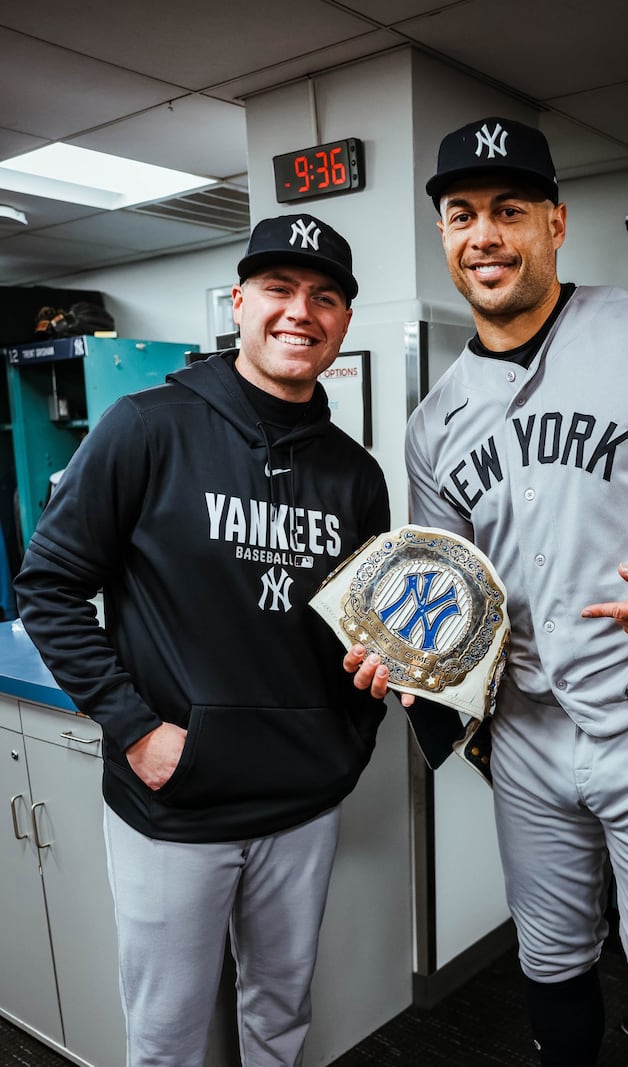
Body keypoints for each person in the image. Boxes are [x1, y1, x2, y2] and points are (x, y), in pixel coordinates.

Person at [346, 116, 628, 1066]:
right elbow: (451, 597)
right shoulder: (433, 423)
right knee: (548, 957)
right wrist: (402, 655)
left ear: (555, 222)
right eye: (462, 214)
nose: (485, 235)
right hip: (529, 727)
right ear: (443, 234)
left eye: (509, 209)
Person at [14, 213, 390, 1067]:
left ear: (343, 320)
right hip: (174, 802)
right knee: (166, 1038)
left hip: (304, 801)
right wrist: (137, 731)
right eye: (279, 288)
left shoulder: (355, 474)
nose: (301, 311)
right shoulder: (145, 426)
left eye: (324, 297)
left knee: (280, 1016)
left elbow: (360, 632)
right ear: (240, 301)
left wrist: (352, 731)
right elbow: (48, 586)